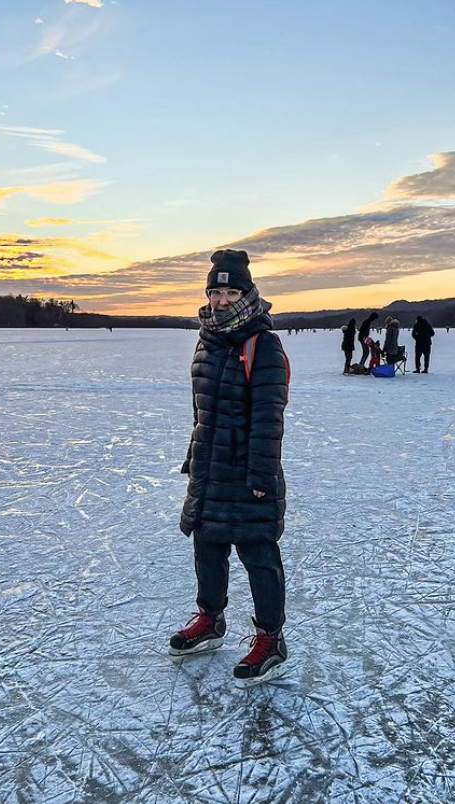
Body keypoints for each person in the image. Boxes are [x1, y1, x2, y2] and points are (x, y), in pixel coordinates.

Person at [171, 249, 290, 687]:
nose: (222, 300)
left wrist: (261, 475)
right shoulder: (207, 342)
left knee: (257, 552)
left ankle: (270, 638)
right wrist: (194, 453)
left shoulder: (263, 345)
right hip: (210, 464)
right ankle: (210, 618)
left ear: (247, 293)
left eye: (231, 291)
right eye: (216, 291)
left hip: (247, 470)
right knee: (208, 545)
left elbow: (268, 416)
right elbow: (201, 410)